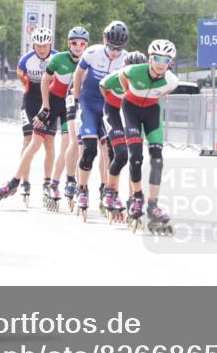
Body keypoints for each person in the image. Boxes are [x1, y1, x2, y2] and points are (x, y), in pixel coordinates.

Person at [68, 20, 130, 220]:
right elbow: (78, 75)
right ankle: (82, 189)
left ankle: (106, 189)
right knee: (89, 150)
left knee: (110, 150)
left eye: (118, 48)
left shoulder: (126, 60)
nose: (114, 52)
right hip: (88, 104)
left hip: (109, 107)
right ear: (104, 41)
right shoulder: (93, 53)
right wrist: (76, 99)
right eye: (111, 46)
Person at [0, 27, 56, 206]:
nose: (42, 49)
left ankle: (47, 182)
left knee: (49, 142)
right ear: (33, 45)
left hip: (50, 100)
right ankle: (25, 182)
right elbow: (23, 80)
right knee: (28, 140)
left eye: (45, 45)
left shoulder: (57, 58)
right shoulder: (25, 61)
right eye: (38, 45)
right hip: (31, 99)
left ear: (50, 44)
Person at [119, 39, 180, 234]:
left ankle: (153, 205)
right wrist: (129, 93)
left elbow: (166, 91)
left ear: (171, 62)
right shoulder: (135, 70)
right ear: (150, 58)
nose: (161, 63)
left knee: (157, 160)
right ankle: (137, 197)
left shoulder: (172, 80)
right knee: (135, 156)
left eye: (166, 59)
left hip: (152, 112)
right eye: (157, 58)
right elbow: (122, 75)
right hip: (131, 110)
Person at [39, 26, 90, 210]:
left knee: (71, 144)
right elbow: (45, 80)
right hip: (56, 102)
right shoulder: (58, 59)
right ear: (69, 44)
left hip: (74, 103)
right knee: (65, 143)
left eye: (82, 43)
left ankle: (67, 181)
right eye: (74, 43)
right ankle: (54, 183)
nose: (78, 46)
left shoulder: (89, 61)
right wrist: (45, 104)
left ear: (86, 45)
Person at [98, 51, 147, 222]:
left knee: (135, 158)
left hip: (132, 115)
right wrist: (112, 104)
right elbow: (102, 87)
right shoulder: (115, 77)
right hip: (113, 112)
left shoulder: (145, 81)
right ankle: (111, 192)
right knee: (120, 154)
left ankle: (133, 199)